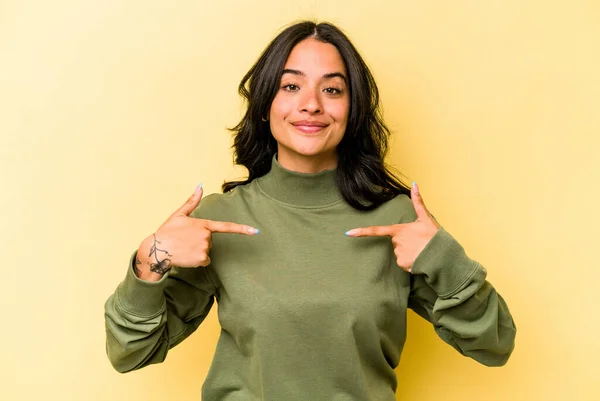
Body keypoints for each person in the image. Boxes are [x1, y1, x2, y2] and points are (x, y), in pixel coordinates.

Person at [104, 20, 516, 400]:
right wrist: (149, 261)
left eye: (332, 89)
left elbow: (494, 345)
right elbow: (130, 353)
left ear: (352, 110)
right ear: (265, 105)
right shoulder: (219, 219)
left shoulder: (399, 220)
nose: (312, 104)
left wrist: (444, 257)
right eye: (291, 87)